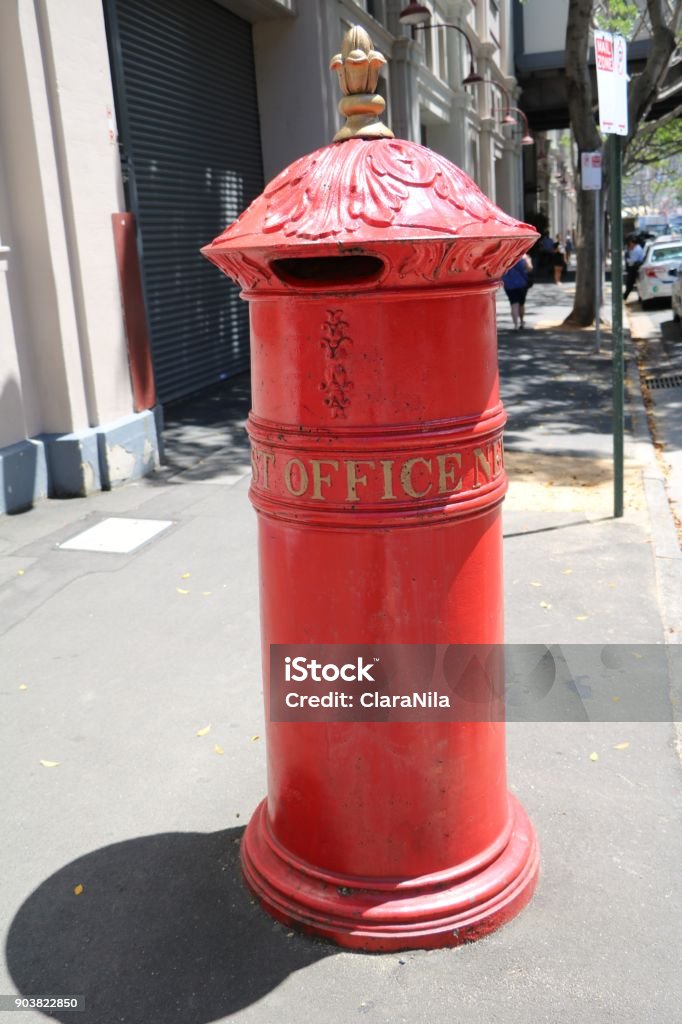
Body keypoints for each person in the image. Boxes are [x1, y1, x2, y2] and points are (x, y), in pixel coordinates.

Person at [501, 254, 533, 329]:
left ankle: (515, 324)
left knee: (514, 304)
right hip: (521, 283)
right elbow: (530, 268)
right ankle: (521, 321)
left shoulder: (504, 256)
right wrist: (529, 260)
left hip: (508, 284)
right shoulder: (524, 257)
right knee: (521, 304)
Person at [623, 236, 645, 300]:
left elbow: (632, 261)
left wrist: (628, 259)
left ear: (633, 243)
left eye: (630, 244)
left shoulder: (636, 250)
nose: (629, 245)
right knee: (635, 283)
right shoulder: (633, 249)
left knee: (630, 282)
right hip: (633, 267)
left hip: (635, 268)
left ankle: (625, 296)